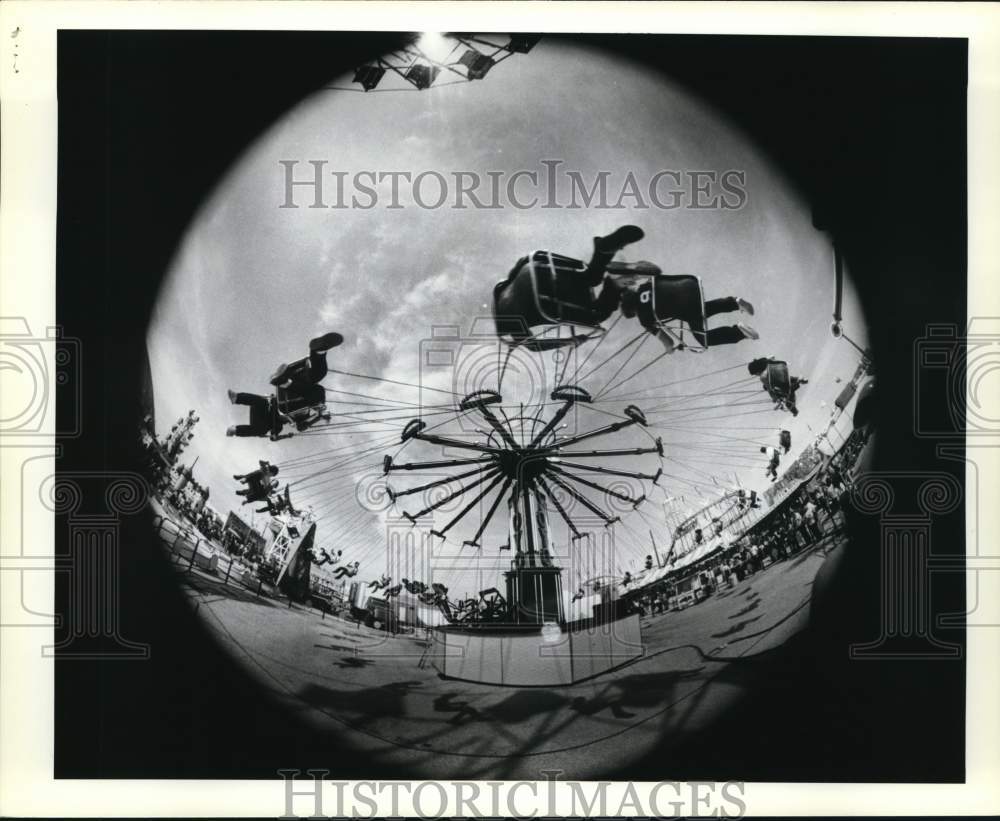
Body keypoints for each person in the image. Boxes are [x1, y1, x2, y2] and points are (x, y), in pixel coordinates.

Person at [493, 225, 646, 344]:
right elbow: (521, 263)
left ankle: (614, 285)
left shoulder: (509, 326)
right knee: (590, 279)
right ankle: (603, 252)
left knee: (596, 317)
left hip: (546, 299)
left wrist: (570, 341)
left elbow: (533, 346)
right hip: (540, 272)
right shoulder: (500, 290)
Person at [621, 284, 758, 352]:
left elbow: (668, 342)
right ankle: (734, 302)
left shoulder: (644, 319)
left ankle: (738, 332)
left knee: (704, 339)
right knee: (701, 309)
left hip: (685, 310)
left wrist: (669, 349)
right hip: (688, 288)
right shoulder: (645, 286)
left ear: (634, 310)